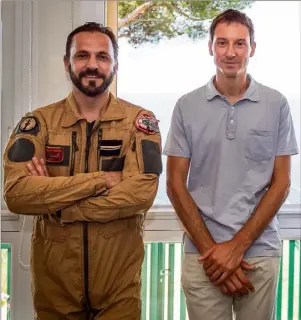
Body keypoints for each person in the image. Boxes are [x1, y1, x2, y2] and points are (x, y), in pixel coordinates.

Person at [3, 22, 162, 320]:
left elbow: (140, 194)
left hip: (119, 293)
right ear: (67, 63)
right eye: (82, 56)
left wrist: (58, 204)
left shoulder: (140, 123)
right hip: (55, 294)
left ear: (115, 64)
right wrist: (100, 180)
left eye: (102, 57)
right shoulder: (38, 123)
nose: (92, 65)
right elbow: (17, 194)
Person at [164, 9, 298, 320]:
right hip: (202, 255)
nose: (230, 52)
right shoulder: (186, 105)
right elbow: (174, 185)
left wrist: (237, 247)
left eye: (240, 43)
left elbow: (281, 183)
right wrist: (215, 255)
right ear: (210, 47)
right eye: (222, 43)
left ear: (252, 48)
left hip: (260, 253)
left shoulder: (276, 104)